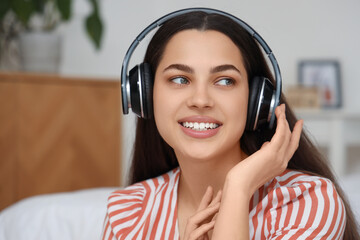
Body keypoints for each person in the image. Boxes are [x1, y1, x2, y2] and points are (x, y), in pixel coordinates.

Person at [102, 9, 359, 240]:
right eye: (180, 79)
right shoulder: (127, 212)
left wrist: (238, 187)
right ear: (144, 96)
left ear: (257, 100)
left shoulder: (306, 202)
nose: (200, 100)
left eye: (225, 81)